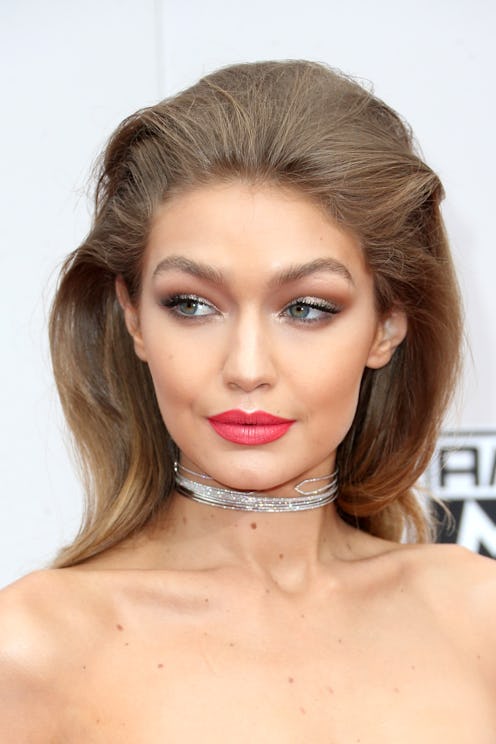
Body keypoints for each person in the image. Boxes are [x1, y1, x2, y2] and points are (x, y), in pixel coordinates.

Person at [1, 59, 495, 742]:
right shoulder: (31, 651)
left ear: (386, 324)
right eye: (192, 304)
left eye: (308, 308)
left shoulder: (476, 619)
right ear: (135, 317)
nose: (247, 369)